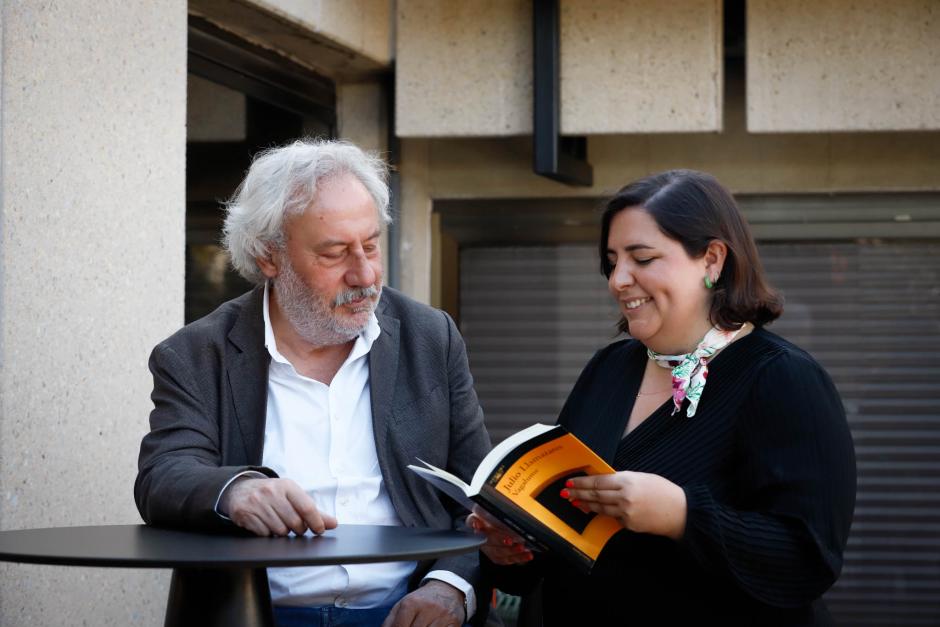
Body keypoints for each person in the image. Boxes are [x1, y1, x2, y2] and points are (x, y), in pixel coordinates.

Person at [469, 170, 856, 625]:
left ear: (712, 259)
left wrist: (680, 514)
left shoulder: (783, 379)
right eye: (612, 261)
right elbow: (570, 536)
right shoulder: (609, 369)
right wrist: (512, 548)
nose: (618, 279)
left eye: (642, 258)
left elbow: (807, 559)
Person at [134, 139, 492, 627]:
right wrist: (236, 491)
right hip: (258, 615)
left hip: (406, 612)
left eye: (370, 244)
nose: (364, 273)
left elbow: (481, 498)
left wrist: (449, 587)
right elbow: (163, 477)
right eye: (334, 253)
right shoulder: (197, 353)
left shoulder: (431, 338)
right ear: (268, 257)